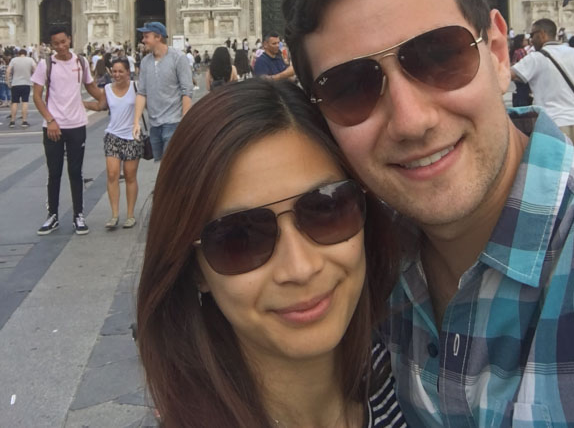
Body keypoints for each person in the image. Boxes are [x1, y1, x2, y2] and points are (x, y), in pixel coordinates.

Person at [282, 0, 574, 426]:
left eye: (439, 56)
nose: (411, 120)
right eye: (351, 86)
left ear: (497, 53)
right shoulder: (360, 267)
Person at [136, 79, 407, 428]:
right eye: (240, 238)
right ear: (195, 270)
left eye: (327, 209)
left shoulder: (421, 387)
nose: (300, 267)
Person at [31, 26, 104, 235]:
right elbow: (37, 95)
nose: (61, 47)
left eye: (64, 42)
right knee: (54, 173)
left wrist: (104, 98)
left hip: (76, 124)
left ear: (69, 40)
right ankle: (52, 215)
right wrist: (50, 120)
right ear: (51, 45)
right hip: (53, 126)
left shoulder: (80, 62)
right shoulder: (45, 64)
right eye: (56, 44)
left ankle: (78, 215)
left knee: (75, 171)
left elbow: (89, 86)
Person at [511, 17, 574, 148]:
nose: (531, 40)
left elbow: (507, 75)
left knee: (557, 166)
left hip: (553, 123)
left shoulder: (536, 58)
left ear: (542, 34)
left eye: (532, 35)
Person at [83, 57, 143, 229]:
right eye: (114, 71)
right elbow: (101, 106)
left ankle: (130, 215)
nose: (116, 75)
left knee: (130, 176)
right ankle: (115, 215)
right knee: (112, 174)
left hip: (132, 136)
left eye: (120, 71)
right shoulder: (107, 89)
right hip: (113, 136)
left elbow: (147, 105)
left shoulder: (136, 87)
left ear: (128, 72)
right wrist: (79, 103)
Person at [132, 22, 193, 161]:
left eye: (146, 36)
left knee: (170, 165)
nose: (143, 40)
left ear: (158, 37)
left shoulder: (178, 58)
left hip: (174, 122)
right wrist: (136, 121)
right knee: (161, 167)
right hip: (154, 124)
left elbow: (187, 91)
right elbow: (141, 93)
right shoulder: (145, 61)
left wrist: (185, 120)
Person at [7, 48, 36, 127]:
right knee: (25, 102)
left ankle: (12, 121)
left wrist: (8, 81)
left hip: (15, 83)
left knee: (15, 102)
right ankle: (24, 121)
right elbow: (35, 69)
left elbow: (8, 70)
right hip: (26, 83)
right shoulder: (30, 60)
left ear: (18, 54)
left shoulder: (14, 60)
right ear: (25, 53)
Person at [509, 33, 532, 107]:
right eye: (525, 40)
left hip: (517, 76)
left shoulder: (515, 51)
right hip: (523, 75)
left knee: (519, 92)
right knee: (523, 94)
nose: (527, 41)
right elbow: (525, 63)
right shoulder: (521, 51)